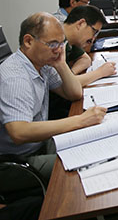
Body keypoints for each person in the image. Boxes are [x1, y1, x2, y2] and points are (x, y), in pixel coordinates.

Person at [0, 13, 107, 183]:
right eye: (52, 44)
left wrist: (61, 64)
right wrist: (81, 120)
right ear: (28, 41)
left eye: (61, 43)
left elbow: (73, 93)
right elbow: (19, 131)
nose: (58, 50)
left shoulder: (43, 65)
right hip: (18, 160)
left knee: (95, 143)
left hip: (41, 143)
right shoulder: (15, 77)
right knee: (89, 162)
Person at [48, 6, 118, 120]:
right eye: (94, 32)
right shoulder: (55, 44)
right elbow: (68, 87)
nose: (93, 39)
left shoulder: (69, 41)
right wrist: (100, 72)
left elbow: (85, 59)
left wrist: (70, 74)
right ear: (81, 24)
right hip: (55, 112)